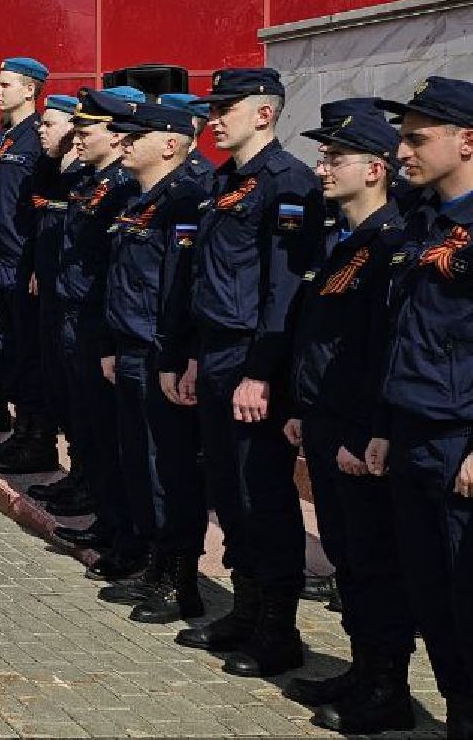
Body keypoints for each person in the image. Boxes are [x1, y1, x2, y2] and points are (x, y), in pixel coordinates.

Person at [180, 67, 326, 678]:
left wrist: (261, 373)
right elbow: (205, 276)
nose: (214, 118)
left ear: (264, 114)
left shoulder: (286, 183)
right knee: (227, 489)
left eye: (227, 108)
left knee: (261, 492)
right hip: (216, 353)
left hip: (252, 360)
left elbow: (283, 290)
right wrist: (194, 355)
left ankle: (278, 628)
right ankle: (245, 609)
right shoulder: (224, 181)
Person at [277, 110, 415, 734]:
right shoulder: (342, 239)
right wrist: (302, 408)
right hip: (326, 420)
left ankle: (387, 688)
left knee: (373, 561)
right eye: (323, 156)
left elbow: (382, 351)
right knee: (346, 558)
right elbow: (319, 337)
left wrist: (364, 433)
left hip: (359, 433)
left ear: (376, 169)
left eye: (336, 158)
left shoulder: (390, 244)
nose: (323, 168)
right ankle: (362, 670)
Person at [370, 75, 473, 740]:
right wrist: (385, 425)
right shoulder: (421, 219)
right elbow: (401, 333)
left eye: (416, 138)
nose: (400, 151)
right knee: (430, 595)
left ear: (467, 141)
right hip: (411, 428)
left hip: (460, 440)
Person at [95, 97, 212, 625]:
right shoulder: (138, 199)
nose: (124, 142)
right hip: (131, 348)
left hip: (159, 354)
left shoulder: (183, 201)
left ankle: (179, 579)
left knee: (169, 469)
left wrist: (176, 356)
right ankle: (154, 560)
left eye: (136, 135)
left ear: (168, 144)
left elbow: (178, 291)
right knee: (140, 463)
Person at [47, 88, 148, 583]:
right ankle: (108, 524)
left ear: (115, 133)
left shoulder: (125, 188)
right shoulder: (93, 181)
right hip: (78, 316)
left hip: (101, 322)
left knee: (113, 438)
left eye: (87, 130)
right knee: (90, 428)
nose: (78, 137)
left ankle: (127, 539)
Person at [0, 56, 53, 472]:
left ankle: (38, 440)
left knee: (27, 353)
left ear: (29, 89)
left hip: (21, 262)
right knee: (3, 349)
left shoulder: (38, 138)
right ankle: (20, 433)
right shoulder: (3, 138)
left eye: (5, 85)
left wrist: (38, 263)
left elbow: (41, 211)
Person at [8, 94, 80, 477]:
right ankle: (32, 437)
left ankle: (66, 462)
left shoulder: (84, 176)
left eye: (50, 124)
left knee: (67, 382)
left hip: (65, 288)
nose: (41, 129)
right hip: (40, 278)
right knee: (34, 361)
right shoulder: (47, 167)